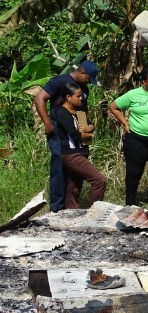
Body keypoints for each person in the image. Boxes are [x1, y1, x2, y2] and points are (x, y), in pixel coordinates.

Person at [34, 60, 99, 212]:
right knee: (60, 167)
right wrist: (47, 123)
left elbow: (83, 109)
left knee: (76, 167)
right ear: (82, 73)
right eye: (89, 78)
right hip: (58, 130)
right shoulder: (59, 81)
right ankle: (56, 209)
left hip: (76, 131)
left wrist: (88, 128)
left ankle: (70, 208)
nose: (89, 82)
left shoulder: (84, 89)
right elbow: (39, 98)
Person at [109, 68, 148, 213]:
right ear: (143, 82)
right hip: (136, 139)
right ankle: (130, 204)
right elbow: (114, 107)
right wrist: (125, 124)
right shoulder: (133, 95)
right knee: (133, 172)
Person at [56, 82, 106, 208]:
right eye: (78, 96)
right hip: (72, 155)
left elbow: (89, 130)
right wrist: (85, 132)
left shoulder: (79, 111)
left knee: (73, 189)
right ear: (68, 97)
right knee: (99, 181)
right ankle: (93, 212)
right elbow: (77, 136)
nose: (81, 98)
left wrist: (88, 129)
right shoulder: (63, 113)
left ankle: (70, 214)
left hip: (82, 153)